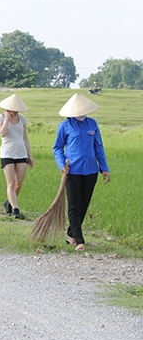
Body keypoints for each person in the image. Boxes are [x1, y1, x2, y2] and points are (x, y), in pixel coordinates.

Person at [53, 94, 110, 252]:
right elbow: (57, 147)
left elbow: (99, 147)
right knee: (74, 205)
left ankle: (72, 232)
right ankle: (79, 240)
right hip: (72, 170)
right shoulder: (65, 126)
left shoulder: (92, 124)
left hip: (91, 170)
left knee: (84, 204)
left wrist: (104, 168)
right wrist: (61, 164)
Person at [0, 94, 34, 219]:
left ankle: (8, 203)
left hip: (21, 153)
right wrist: (6, 119)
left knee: (19, 184)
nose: (16, 111)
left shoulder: (22, 119)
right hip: (8, 153)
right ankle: (15, 209)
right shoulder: (0, 117)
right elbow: (2, 133)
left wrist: (30, 155)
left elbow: (25, 138)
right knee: (11, 182)